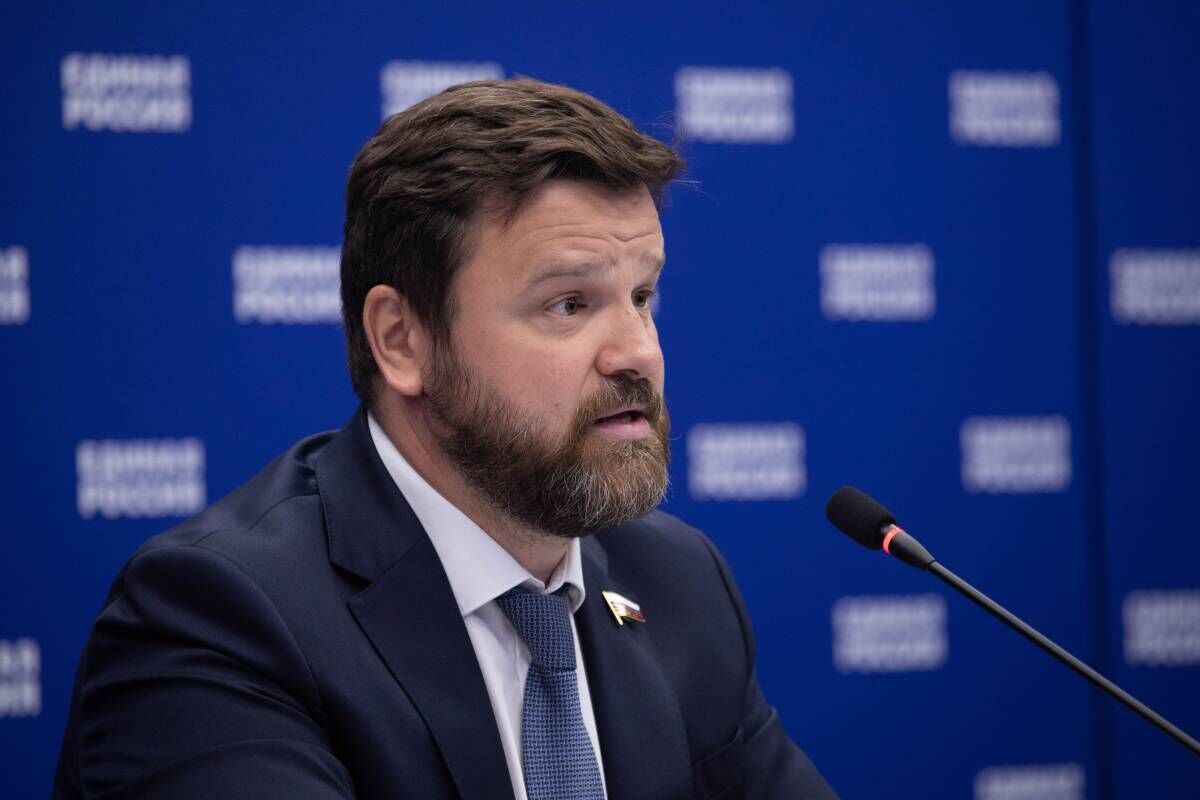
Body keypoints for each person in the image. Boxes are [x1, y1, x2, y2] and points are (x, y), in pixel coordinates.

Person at [54, 79, 836, 799]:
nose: (639, 351)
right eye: (569, 304)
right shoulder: (220, 617)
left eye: (642, 295)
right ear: (402, 340)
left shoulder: (678, 581)